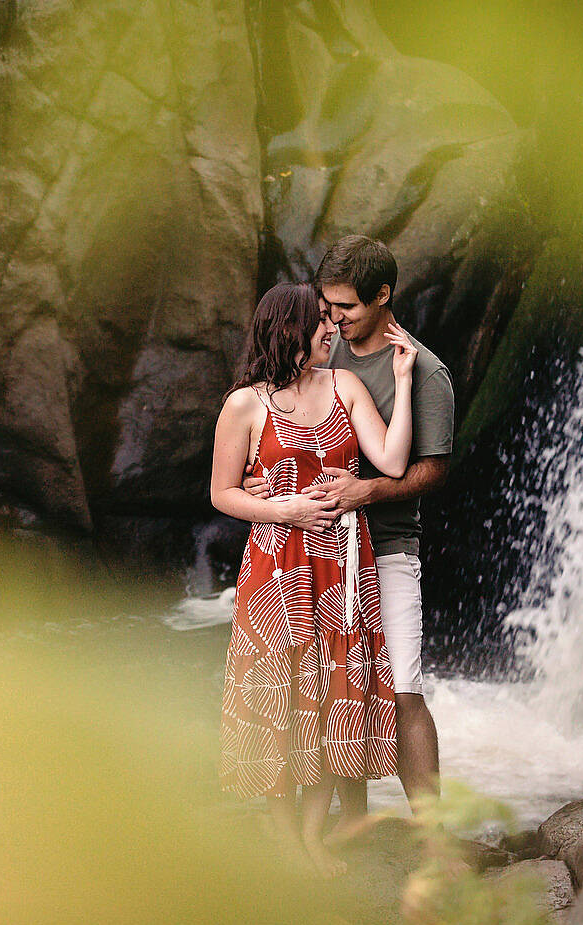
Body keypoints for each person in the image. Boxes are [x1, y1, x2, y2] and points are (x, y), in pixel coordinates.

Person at [245, 236, 453, 830]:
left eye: (346, 308)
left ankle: (434, 839)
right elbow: (276, 426)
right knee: (335, 687)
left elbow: (432, 469)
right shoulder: (318, 351)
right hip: (313, 553)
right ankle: (350, 826)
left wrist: (369, 491)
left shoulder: (424, 369)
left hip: (386, 547)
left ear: (382, 296)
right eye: (327, 308)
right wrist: (264, 486)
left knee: (404, 689)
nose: (332, 320)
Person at [212, 280, 418, 877]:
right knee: (281, 698)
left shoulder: (343, 385)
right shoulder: (244, 406)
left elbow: (393, 462)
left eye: (333, 319)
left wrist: (402, 383)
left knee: (334, 700)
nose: (331, 329)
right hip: (276, 569)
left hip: (345, 570)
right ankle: (288, 842)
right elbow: (223, 493)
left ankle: (313, 837)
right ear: (287, 331)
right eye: (319, 321)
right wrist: (286, 511)